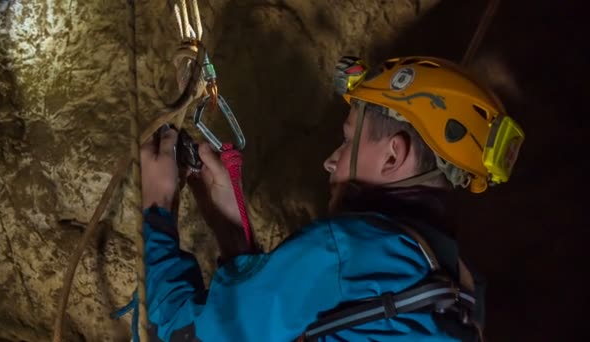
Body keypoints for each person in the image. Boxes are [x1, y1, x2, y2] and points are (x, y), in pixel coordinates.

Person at [140, 56, 524, 341]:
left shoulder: (346, 249)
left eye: (347, 139)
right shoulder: (463, 294)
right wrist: (233, 236)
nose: (330, 160)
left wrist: (157, 206)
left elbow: (185, 333)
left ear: (393, 155)